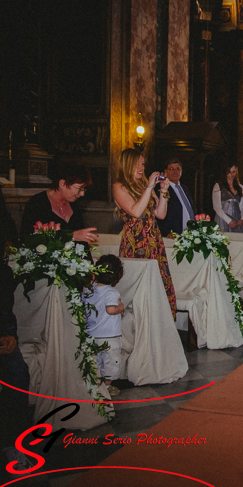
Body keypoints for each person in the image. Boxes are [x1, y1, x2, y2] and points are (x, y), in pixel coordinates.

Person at [113, 148, 176, 317]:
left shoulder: (142, 185)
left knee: (159, 284)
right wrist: (149, 187)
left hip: (153, 241)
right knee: (139, 289)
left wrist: (163, 191)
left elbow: (160, 214)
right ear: (128, 165)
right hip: (135, 243)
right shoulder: (119, 187)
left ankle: (158, 326)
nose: (142, 167)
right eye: (138, 164)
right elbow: (135, 211)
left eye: (142, 163)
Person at [0, 261, 31, 474]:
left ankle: (11, 443)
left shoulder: (3, 271)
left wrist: (10, 334)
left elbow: (4, 308)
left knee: (19, 376)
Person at [20, 164, 98, 244]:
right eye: (79, 189)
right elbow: (27, 238)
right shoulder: (37, 203)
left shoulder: (73, 204)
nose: (82, 194)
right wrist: (72, 236)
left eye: (84, 190)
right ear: (62, 184)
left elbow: (81, 242)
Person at [85, 255, 125, 397]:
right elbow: (110, 309)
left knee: (96, 361)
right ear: (117, 277)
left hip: (92, 334)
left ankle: (97, 386)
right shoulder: (112, 292)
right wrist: (120, 307)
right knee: (110, 362)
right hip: (109, 336)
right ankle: (107, 388)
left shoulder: (89, 290)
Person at [157, 158, 196, 237]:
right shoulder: (162, 189)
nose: (175, 172)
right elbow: (159, 213)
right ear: (165, 171)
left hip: (190, 234)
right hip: (174, 234)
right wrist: (166, 232)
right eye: (171, 169)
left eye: (178, 169)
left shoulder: (184, 188)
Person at [212, 163, 243, 233]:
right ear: (225, 173)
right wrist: (229, 221)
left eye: (234, 172)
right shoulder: (218, 186)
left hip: (237, 220)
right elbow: (216, 207)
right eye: (229, 172)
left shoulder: (241, 187)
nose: (232, 174)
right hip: (223, 219)